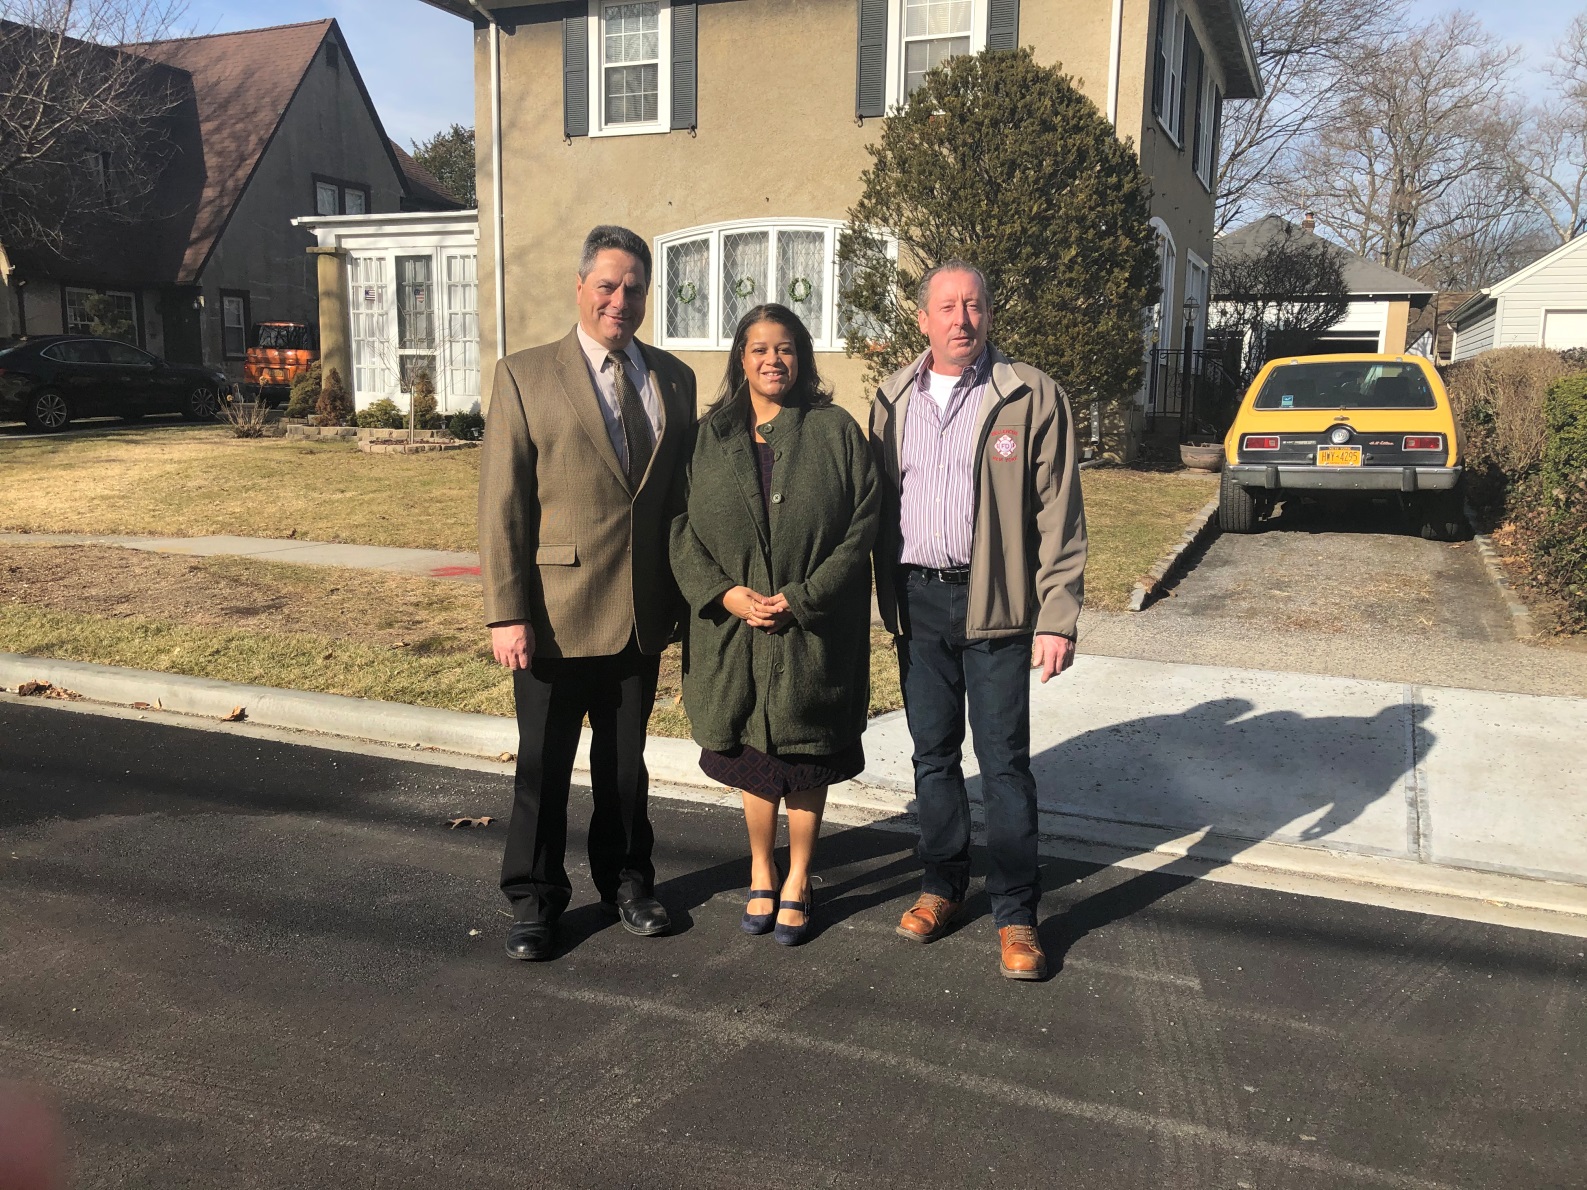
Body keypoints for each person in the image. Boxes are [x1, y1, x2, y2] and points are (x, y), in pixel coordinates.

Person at [479, 225, 697, 961]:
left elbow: (676, 502)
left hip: (640, 613)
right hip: (553, 613)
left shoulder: (673, 379)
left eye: (633, 287)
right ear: (579, 287)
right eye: (607, 285)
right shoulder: (524, 374)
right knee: (542, 767)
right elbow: (503, 502)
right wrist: (506, 611)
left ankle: (628, 884)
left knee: (624, 767)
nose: (620, 299)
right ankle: (534, 900)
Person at [869, 260, 1087, 981]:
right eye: (947, 306)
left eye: (974, 306)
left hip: (997, 604)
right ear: (923, 318)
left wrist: (1057, 617)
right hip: (915, 602)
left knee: (1003, 764)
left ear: (989, 315)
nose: (961, 318)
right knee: (931, 756)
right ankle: (940, 885)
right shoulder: (890, 398)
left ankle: (1016, 912)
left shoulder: (1027, 395)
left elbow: (1059, 513)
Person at [671, 304, 879, 947]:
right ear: (741, 358)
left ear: (803, 356)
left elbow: (863, 524)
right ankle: (762, 868)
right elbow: (679, 528)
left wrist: (807, 597)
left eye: (785, 348)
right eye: (759, 348)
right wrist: (723, 594)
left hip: (812, 631)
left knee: (806, 756)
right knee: (754, 757)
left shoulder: (836, 430)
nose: (772, 360)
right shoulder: (711, 435)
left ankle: (800, 878)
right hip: (734, 630)